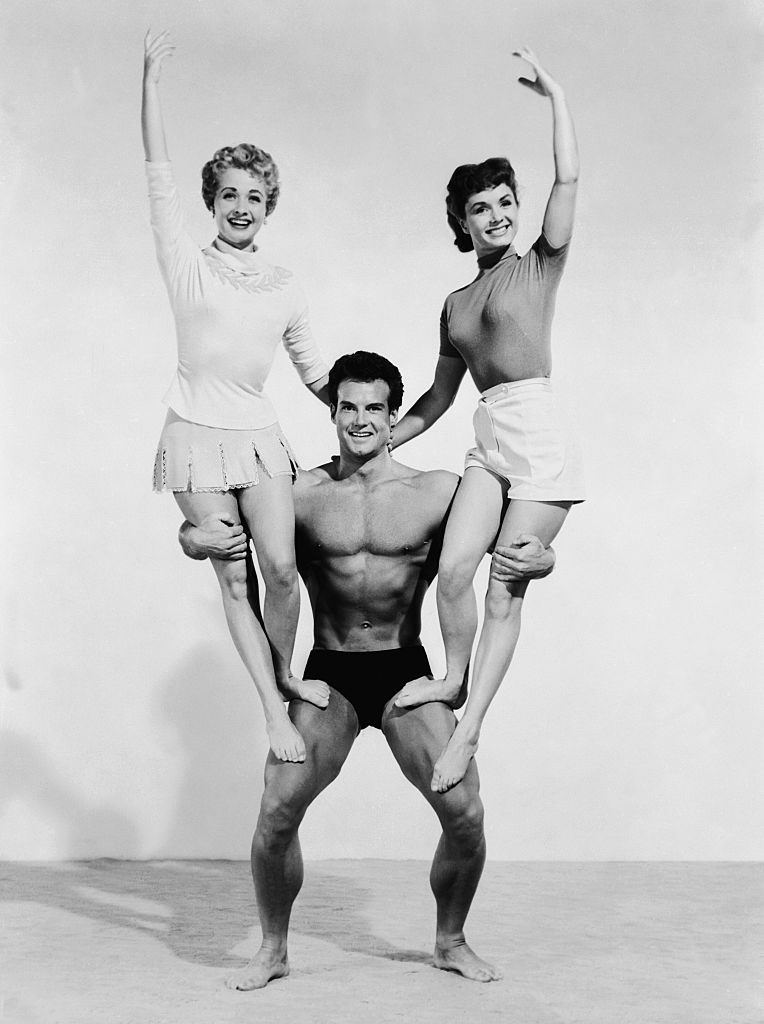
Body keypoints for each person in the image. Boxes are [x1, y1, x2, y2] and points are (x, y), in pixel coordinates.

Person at [179, 351, 554, 988]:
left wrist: (540, 556)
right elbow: (216, 533)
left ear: (392, 416)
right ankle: (273, 949)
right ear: (333, 412)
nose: (360, 420)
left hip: (406, 671)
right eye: (347, 406)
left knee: (465, 811)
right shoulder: (297, 492)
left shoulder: (438, 490)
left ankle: (451, 939)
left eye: (374, 408)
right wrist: (191, 540)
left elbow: (511, 541)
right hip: (330, 675)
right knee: (276, 811)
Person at [391, 48, 585, 793]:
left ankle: (467, 732)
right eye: (482, 207)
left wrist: (555, 96)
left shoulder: (539, 263)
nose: (498, 214)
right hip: (488, 436)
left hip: (539, 432)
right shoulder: (454, 304)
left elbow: (568, 179)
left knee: (507, 581)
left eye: (506, 201)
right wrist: (372, 440)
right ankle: (452, 679)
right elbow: (438, 399)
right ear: (461, 223)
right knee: (451, 572)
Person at [142, 31, 331, 766]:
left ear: (269, 205)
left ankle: (286, 675)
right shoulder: (186, 264)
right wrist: (151, 84)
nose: (242, 206)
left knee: (282, 571)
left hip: (260, 439)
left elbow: (320, 377)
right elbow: (156, 175)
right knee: (232, 570)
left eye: (256, 196)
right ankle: (273, 715)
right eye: (230, 195)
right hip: (193, 435)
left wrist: (388, 421)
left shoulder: (286, 285)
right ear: (212, 203)